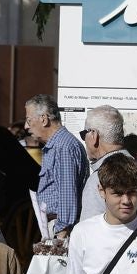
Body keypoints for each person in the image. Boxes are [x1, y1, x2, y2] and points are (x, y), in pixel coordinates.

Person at [22, 94, 88, 239]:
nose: (26, 126)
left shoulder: (63, 147)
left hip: (61, 231)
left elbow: (67, 194)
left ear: (44, 119)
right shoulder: (57, 145)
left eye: (28, 120)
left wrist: (61, 234)